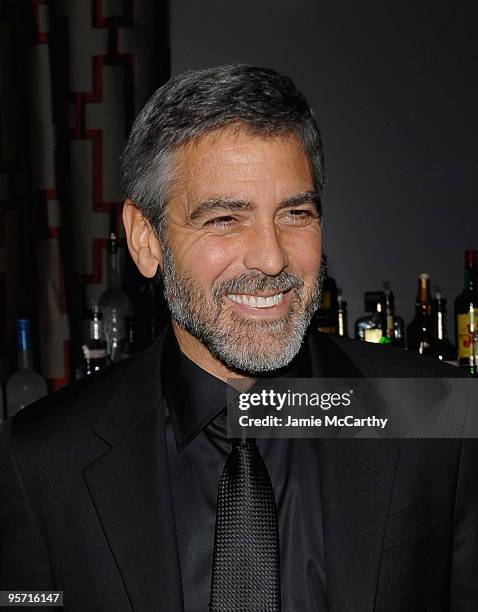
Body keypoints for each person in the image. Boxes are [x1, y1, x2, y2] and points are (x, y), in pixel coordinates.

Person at [0, 65, 477, 612]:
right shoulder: (40, 461)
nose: (272, 258)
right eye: (226, 219)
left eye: (296, 213)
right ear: (145, 239)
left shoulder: (440, 415)